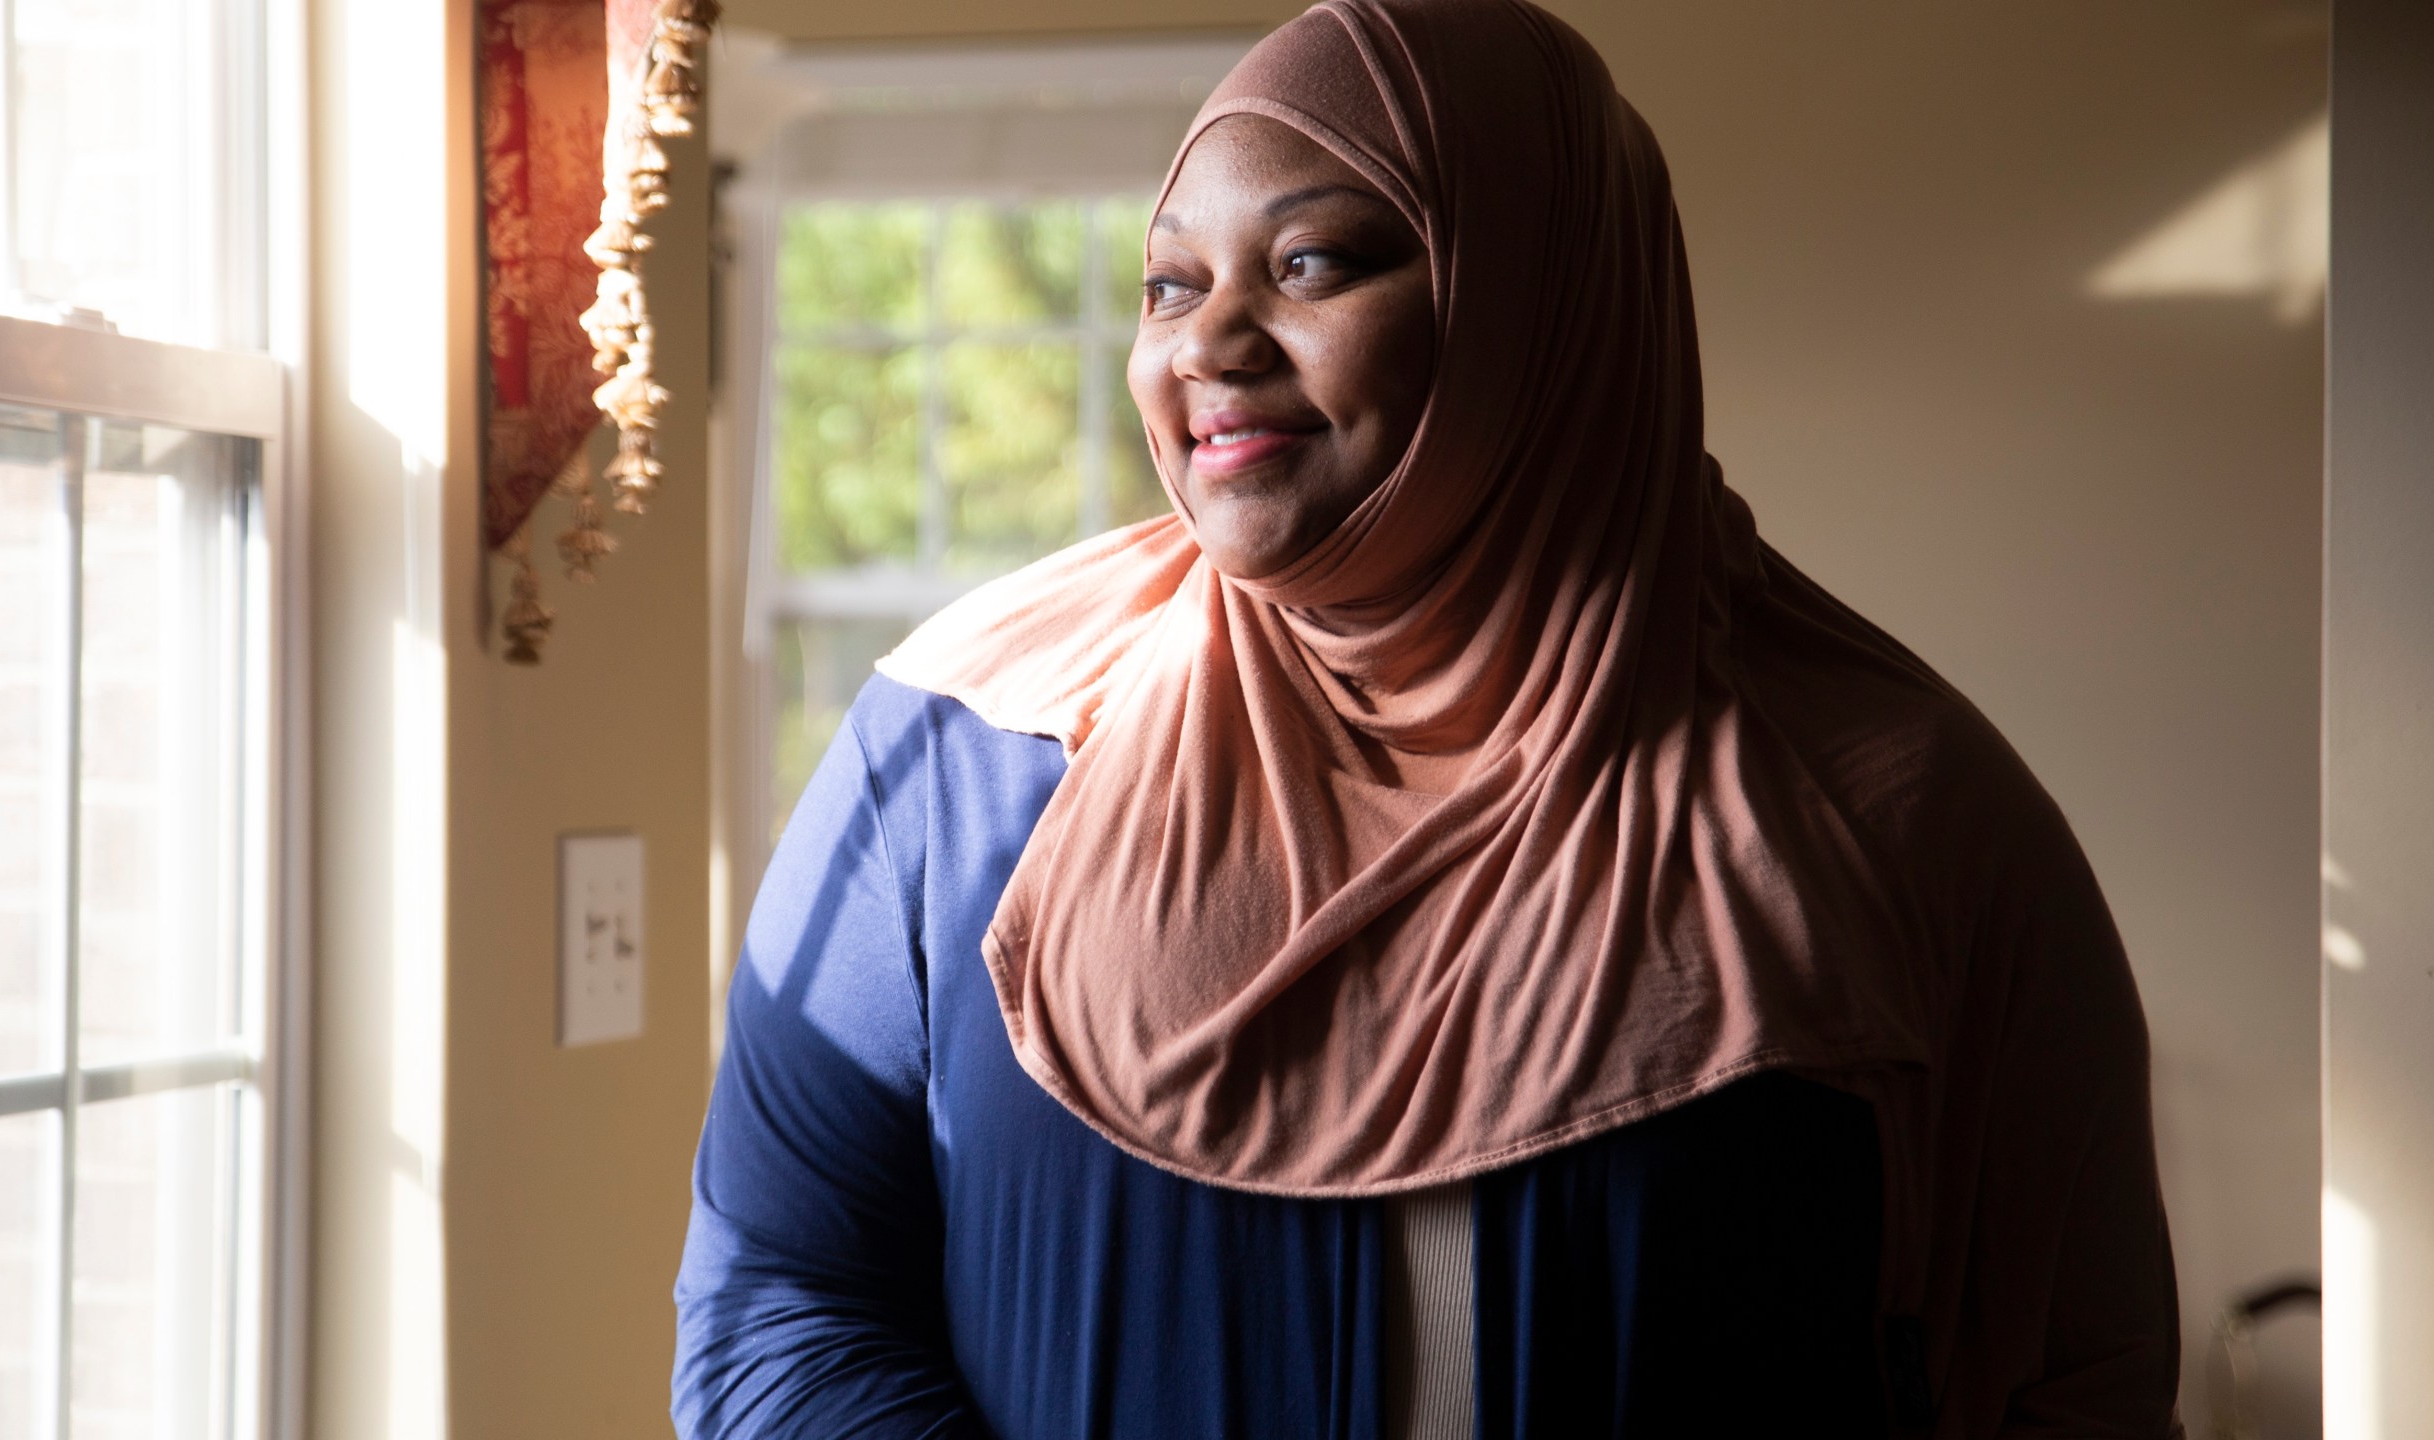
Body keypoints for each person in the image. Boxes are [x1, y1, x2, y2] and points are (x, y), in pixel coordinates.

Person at [671, 0, 2183, 1435]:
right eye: (1170, 284)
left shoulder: (1896, 814)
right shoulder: (961, 749)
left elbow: (2072, 1381)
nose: (1209, 345)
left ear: (1543, 305)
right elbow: (779, 1301)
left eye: (1315, 265)